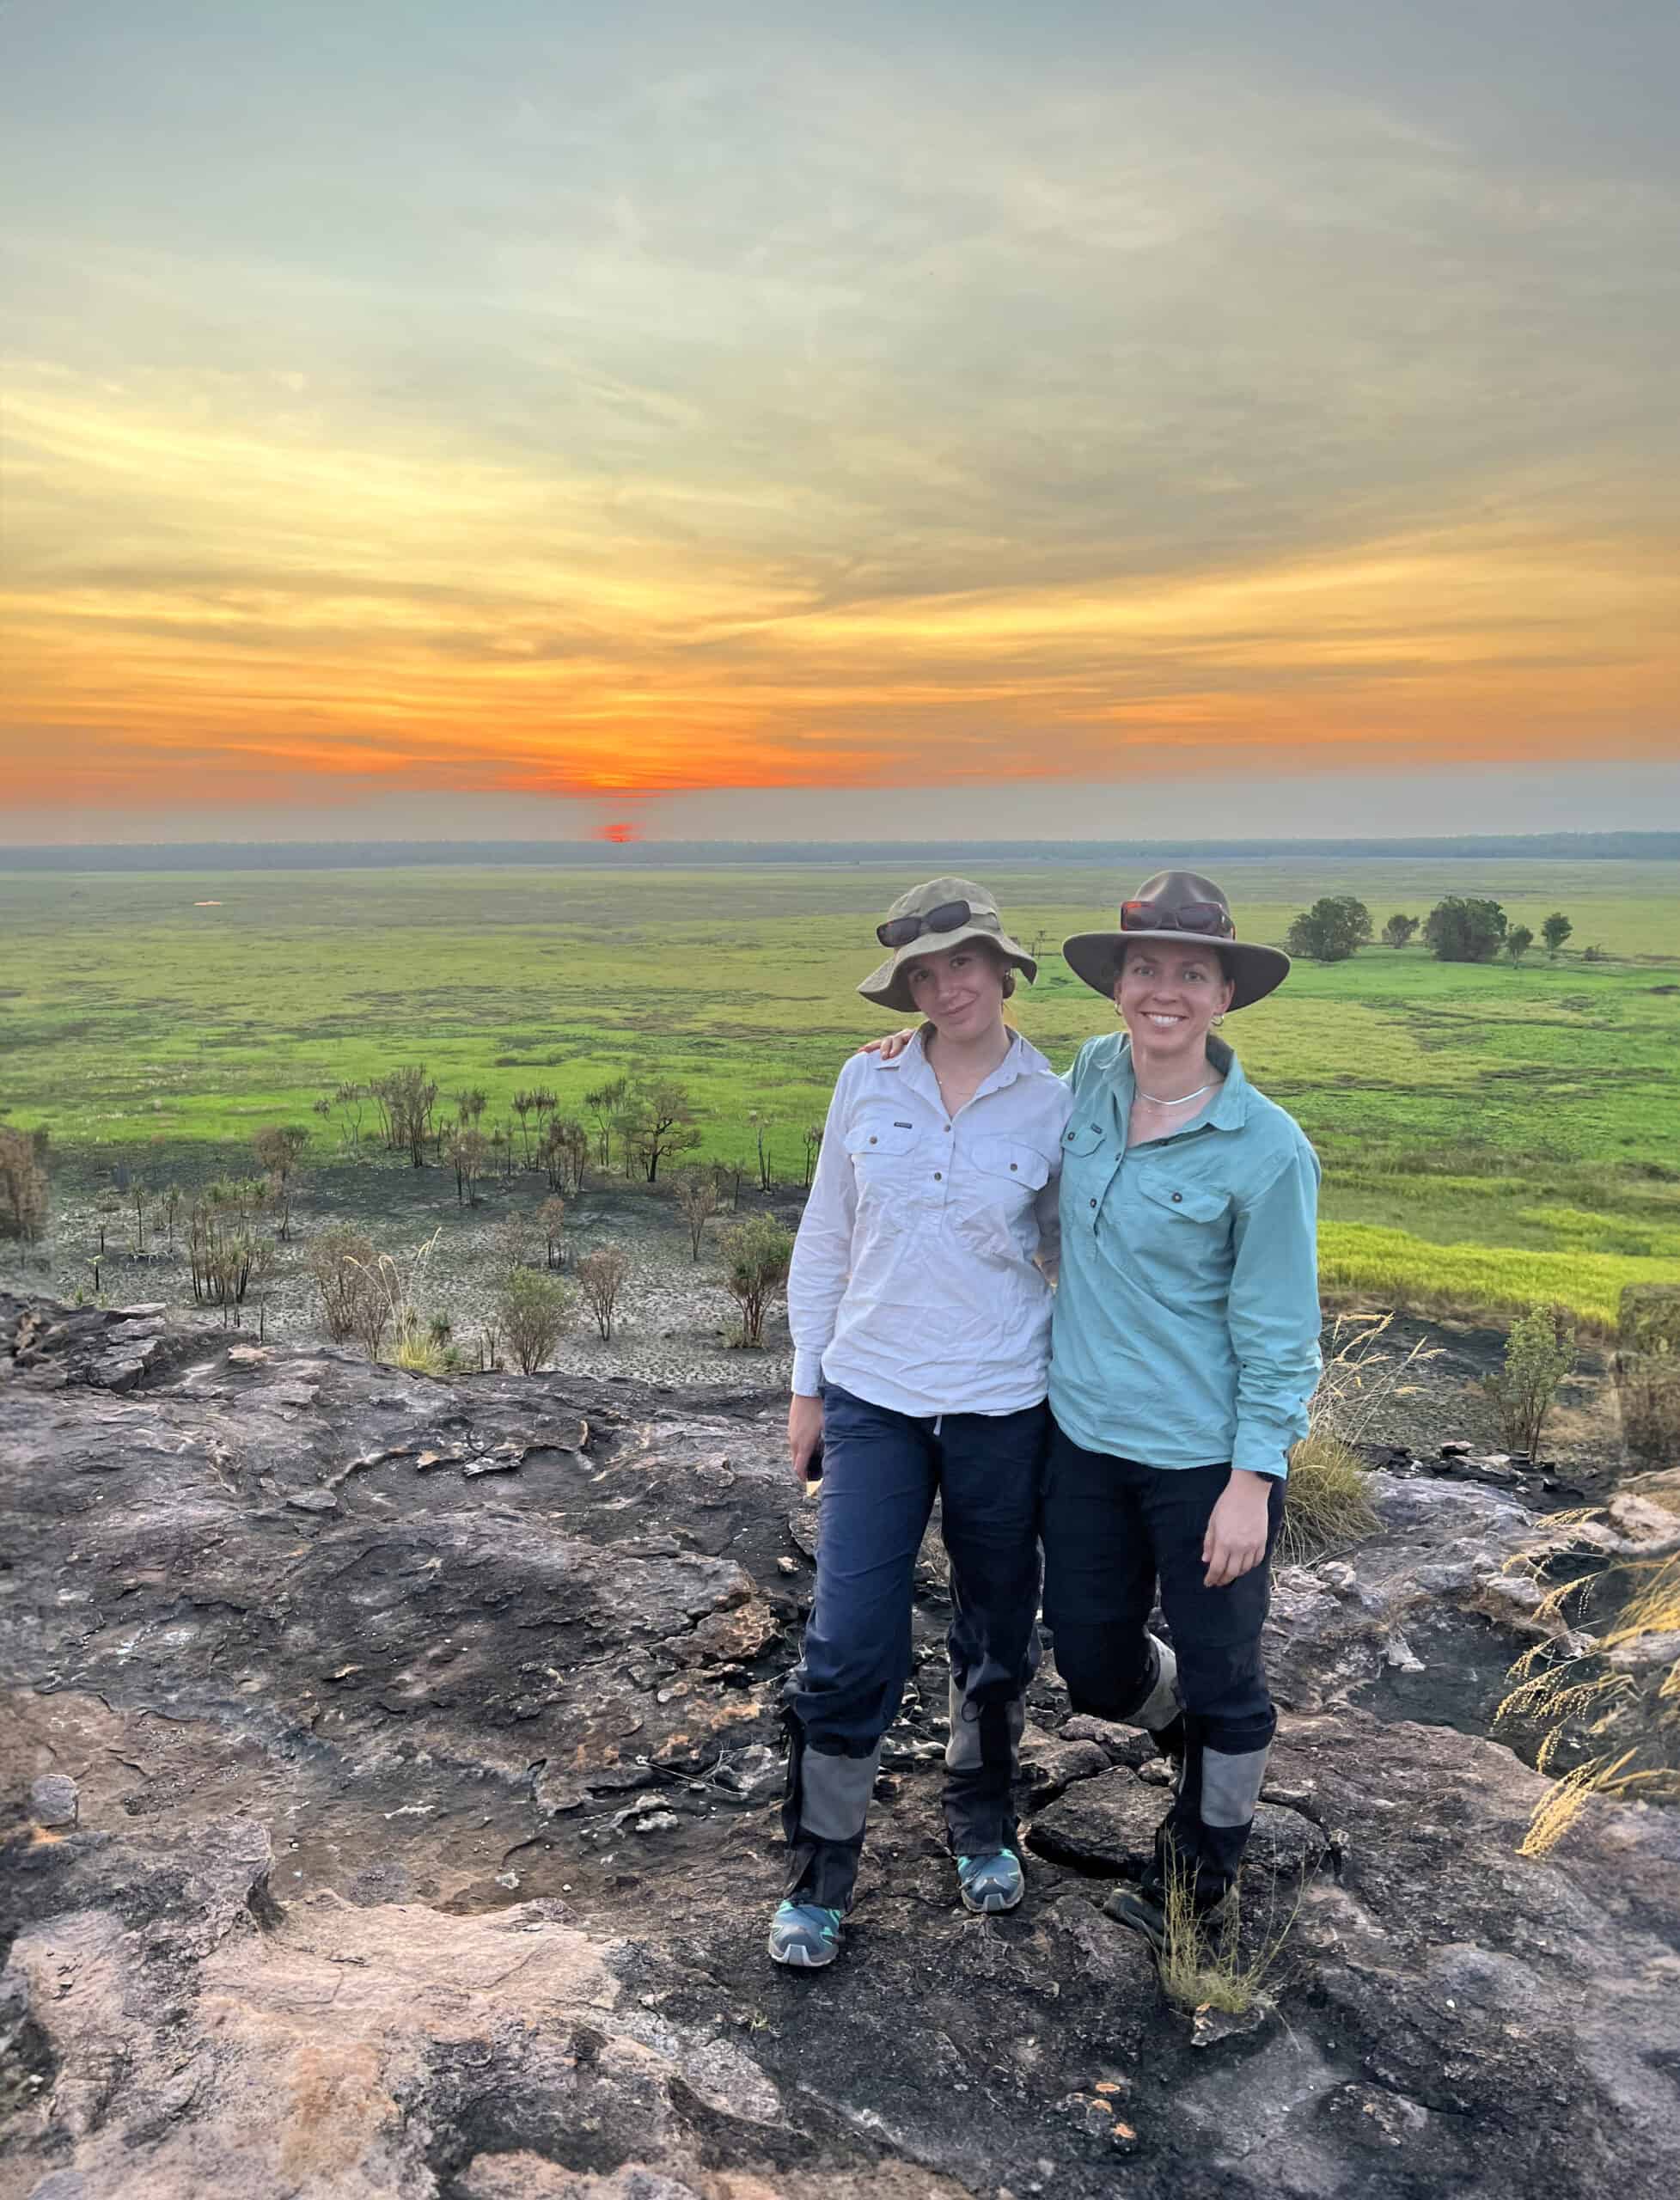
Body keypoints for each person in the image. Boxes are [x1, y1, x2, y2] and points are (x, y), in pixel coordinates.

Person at [869, 870, 1321, 1951]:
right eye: (1145, 969)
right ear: (1119, 984)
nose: (1163, 990)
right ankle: (1186, 1737)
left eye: (1190, 973)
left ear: (1222, 994)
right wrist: (912, 1056)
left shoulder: (1266, 1151)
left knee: (1223, 1673)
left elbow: (1279, 1335)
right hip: (1080, 1441)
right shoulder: (1089, 1077)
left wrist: (1251, 1481)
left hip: (1201, 1462)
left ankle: (1201, 1871)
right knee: (1094, 1665)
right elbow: (991, 1105)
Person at [772, 877, 1072, 1969]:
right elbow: (825, 1233)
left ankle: (980, 1818)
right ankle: (819, 1874)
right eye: (924, 971)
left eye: (964, 963)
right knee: (847, 1642)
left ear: (1002, 969)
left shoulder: (1055, 1099)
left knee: (997, 1627)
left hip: (1003, 1401)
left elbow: (1069, 1254)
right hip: (872, 1399)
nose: (947, 985)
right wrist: (807, 1386)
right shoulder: (868, 1080)